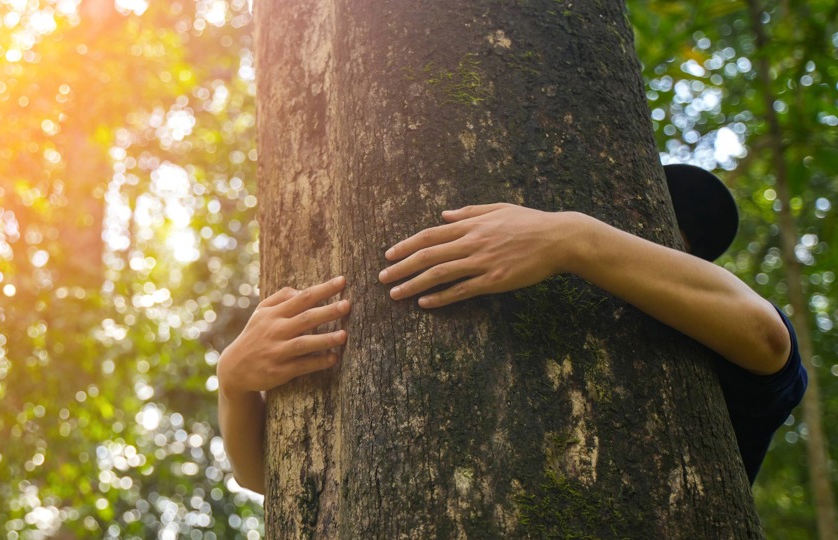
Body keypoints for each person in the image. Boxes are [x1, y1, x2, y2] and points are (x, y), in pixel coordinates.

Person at [217, 164, 807, 494]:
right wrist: (234, 383)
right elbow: (268, 477)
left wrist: (571, 237)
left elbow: (767, 339)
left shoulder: (706, 333)